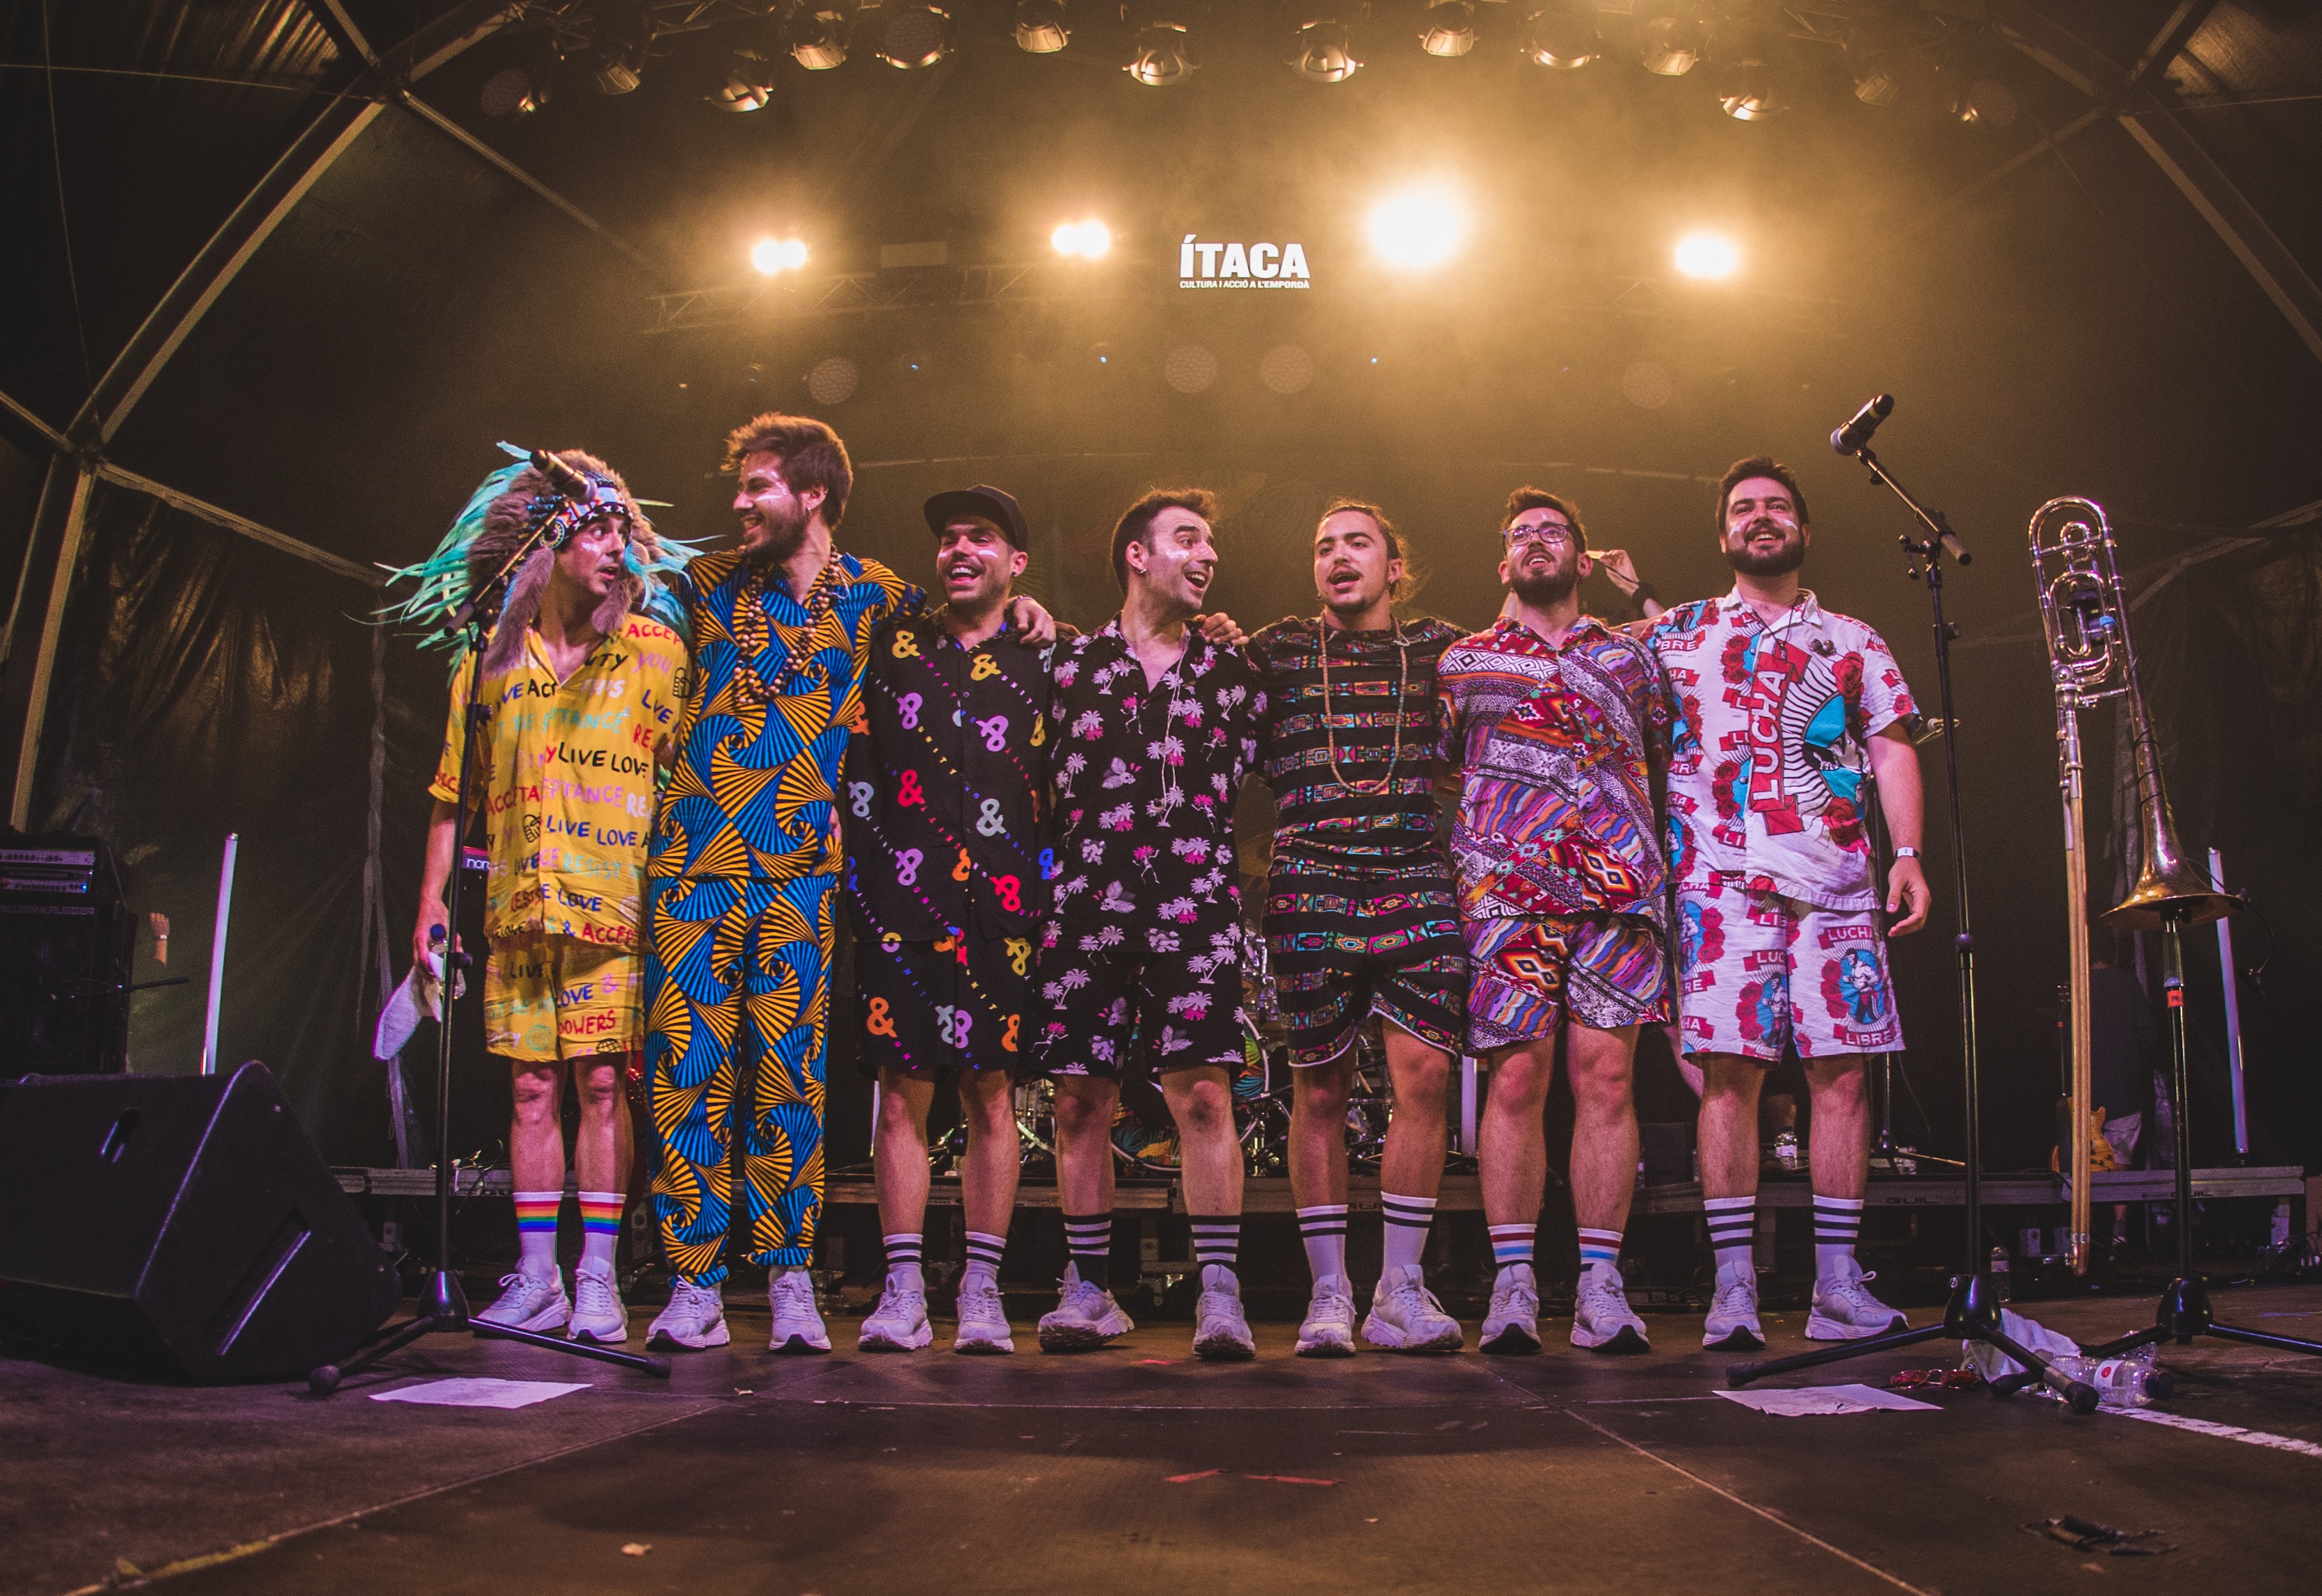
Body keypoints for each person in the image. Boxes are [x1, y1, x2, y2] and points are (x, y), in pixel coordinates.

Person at [643, 416, 1052, 1355]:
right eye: (740, 487)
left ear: (813, 493)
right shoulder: (701, 583)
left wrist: (1036, 612)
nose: (739, 503)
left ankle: (789, 1279)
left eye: (758, 486)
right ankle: (694, 1283)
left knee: (789, 1080)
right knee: (687, 1078)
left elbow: (975, 622)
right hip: (694, 863)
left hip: (803, 875)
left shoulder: (880, 598)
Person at [1631, 456, 1931, 1350]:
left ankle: (1836, 1287)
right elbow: (1580, 671)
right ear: (1723, 532)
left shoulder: (1853, 638)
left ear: (1802, 527)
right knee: (1728, 1079)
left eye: (1775, 506)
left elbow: (1892, 747)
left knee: (1842, 1076)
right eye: (1742, 508)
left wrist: (1907, 854)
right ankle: (1732, 1289)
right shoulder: (1675, 632)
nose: (1759, 518)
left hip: (1836, 884)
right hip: (1717, 884)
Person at [405, 449, 684, 1345]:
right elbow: (450, 795)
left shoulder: (656, 655)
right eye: (595, 531)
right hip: (519, 910)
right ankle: (538, 1279)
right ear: (548, 544)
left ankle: (599, 1277)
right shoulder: (487, 662)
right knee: (530, 1090)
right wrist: (431, 905)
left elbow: (691, 782)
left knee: (601, 1084)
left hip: (616, 912)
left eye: (622, 532)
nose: (615, 548)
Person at [1438, 488, 1674, 1355]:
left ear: (1582, 557)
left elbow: (1671, 745)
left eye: (1555, 531)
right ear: (1502, 562)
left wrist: (1639, 592)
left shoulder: (1631, 656)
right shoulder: (1461, 662)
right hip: (1507, 896)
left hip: (1616, 892)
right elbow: (1436, 769)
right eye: (1521, 534)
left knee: (1607, 1082)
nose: (1537, 541)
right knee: (1514, 1083)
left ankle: (1600, 1287)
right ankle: (1512, 1285)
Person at [1032, 489, 1266, 1360]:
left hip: (1195, 906)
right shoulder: (1063, 665)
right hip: (1084, 905)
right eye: (1187, 538)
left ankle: (1220, 1295)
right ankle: (1089, 1290)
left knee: (1203, 1097)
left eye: (1212, 542)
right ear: (1136, 554)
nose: (1208, 555)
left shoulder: (1235, 675)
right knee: (1075, 1100)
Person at [1247, 502, 1467, 1357]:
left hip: (1414, 875)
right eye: (1323, 546)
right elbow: (1174, 659)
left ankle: (1398, 1289)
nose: (1337, 557)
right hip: (1310, 878)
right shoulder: (1274, 649)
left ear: (1393, 567)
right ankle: (1328, 1293)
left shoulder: (1440, 647)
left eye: (1356, 543)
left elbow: (1532, 655)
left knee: (1425, 1079)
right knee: (1319, 1090)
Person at [844, 485, 1052, 1355]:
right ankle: (901, 1291)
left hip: (1003, 913)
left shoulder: (1050, 660)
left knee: (990, 1096)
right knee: (902, 1098)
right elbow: (856, 772)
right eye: (949, 538)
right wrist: (867, 891)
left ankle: (979, 1291)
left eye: (981, 537)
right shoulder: (891, 646)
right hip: (903, 905)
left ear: (1017, 564)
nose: (959, 549)